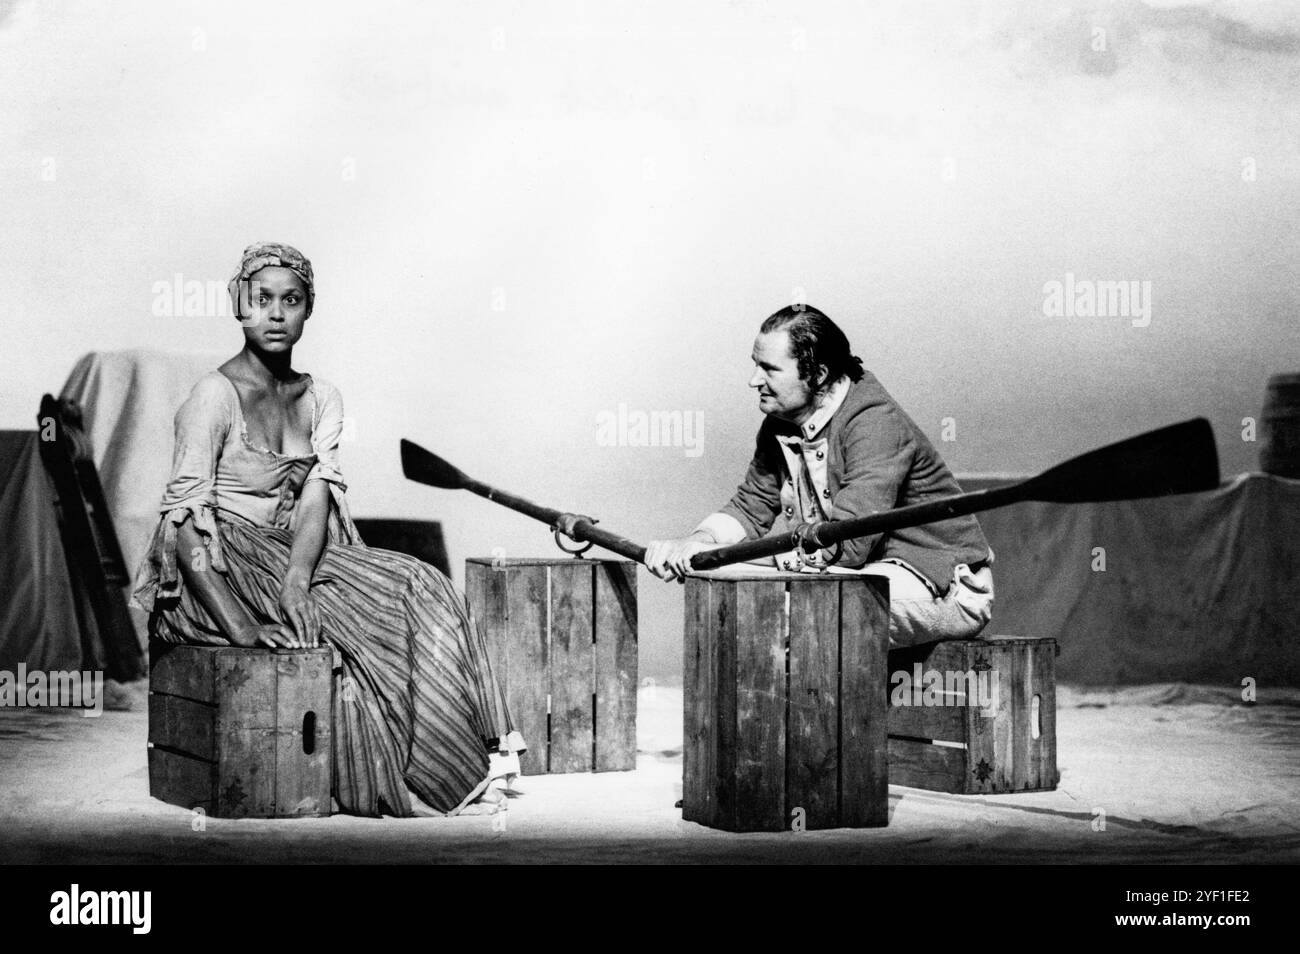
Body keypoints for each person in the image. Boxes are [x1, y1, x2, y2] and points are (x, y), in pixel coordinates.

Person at [130, 241, 523, 817]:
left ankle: (475, 751)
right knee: (344, 628)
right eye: (262, 299)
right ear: (239, 305)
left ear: (307, 311)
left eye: (290, 300)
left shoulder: (321, 398)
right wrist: (239, 627)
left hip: (290, 556)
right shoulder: (212, 397)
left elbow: (317, 499)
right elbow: (184, 525)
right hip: (218, 568)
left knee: (418, 580)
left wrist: (295, 579)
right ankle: (414, 779)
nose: (275, 313)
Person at [644, 304, 995, 647]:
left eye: (770, 369)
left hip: (945, 588)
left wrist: (718, 552)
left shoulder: (874, 422)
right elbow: (751, 507)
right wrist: (697, 544)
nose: (754, 381)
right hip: (858, 574)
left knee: (790, 610)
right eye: (755, 365)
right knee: (712, 576)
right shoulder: (780, 422)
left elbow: (849, 546)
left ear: (819, 373)